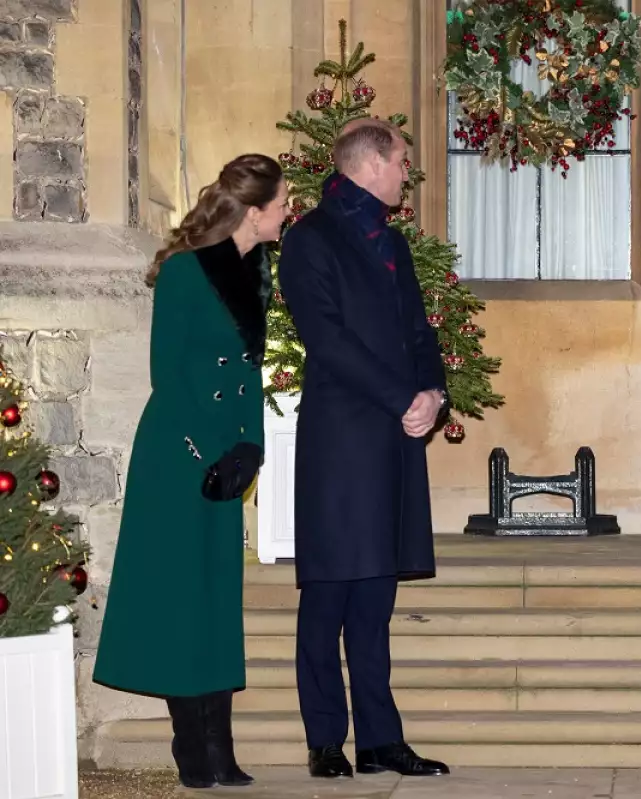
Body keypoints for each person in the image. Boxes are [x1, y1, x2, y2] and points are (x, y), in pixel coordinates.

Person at [93, 154, 287, 788]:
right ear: (253, 212)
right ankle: (192, 749)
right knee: (182, 600)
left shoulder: (256, 268)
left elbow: (249, 372)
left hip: (227, 455)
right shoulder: (183, 272)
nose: (288, 212)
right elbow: (168, 377)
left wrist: (250, 447)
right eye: (283, 203)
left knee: (215, 601)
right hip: (178, 457)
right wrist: (208, 454)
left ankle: (220, 749)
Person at [277, 118, 450, 779]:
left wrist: (432, 392)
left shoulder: (393, 240)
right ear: (371, 163)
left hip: (394, 436)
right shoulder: (309, 238)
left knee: (376, 599)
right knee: (328, 595)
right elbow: (327, 339)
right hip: (342, 440)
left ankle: (381, 739)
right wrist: (403, 397)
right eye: (402, 160)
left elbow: (418, 330)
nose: (407, 171)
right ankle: (325, 739)